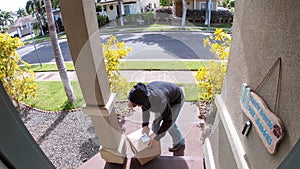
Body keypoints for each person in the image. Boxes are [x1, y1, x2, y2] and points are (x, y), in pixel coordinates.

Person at [127, 81, 185, 152]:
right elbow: (145, 111)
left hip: (176, 100)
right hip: (162, 98)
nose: (139, 106)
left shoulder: (160, 101)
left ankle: (179, 142)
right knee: (155, 123)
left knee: (170, 126)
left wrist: (157, 138)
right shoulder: (144, 95)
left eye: (138, 104)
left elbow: (168, 121)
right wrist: (145, 125)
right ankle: (154, 146)